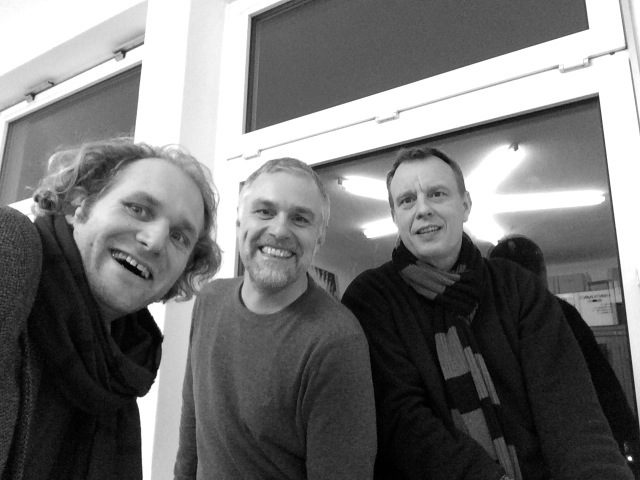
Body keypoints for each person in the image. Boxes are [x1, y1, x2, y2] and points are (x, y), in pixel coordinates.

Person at [341, 146, 633, 480]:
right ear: (395, 216)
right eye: (407, 200)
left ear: (465, 205)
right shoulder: (371, 298)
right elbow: (404, 423)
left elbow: (572, 412)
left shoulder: (518, 288)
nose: (423, 209)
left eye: (437, 194)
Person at [0, 138, 222, 480]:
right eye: (138, 209)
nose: (155, 241)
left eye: (179, 237)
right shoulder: (10, 250)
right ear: (78, 205)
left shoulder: (122, 368)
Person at [174, 157, 377, 479]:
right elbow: (192, 428)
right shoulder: (209, 301)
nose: (280, 230)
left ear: (319, 237)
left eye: (300, 218)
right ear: (239, 220)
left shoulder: (337, 342)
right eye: (265, 211)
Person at [489, 234, 640, 477]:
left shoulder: (489, 321)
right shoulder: (559, 312)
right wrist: (628, 440)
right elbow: (602, 384)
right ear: (542, 273)